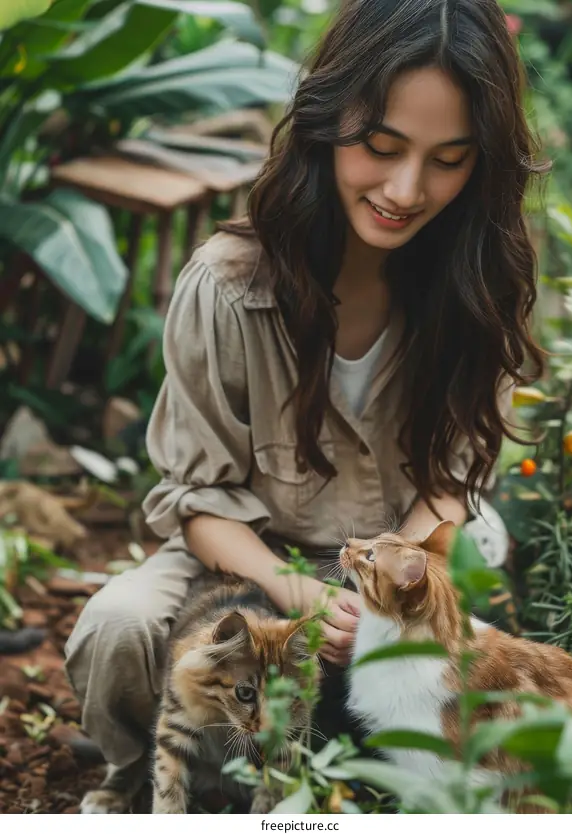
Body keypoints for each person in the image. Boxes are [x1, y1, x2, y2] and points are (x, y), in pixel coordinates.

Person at [66, 0, 545, 805]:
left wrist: (389, 595)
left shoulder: (479, 286)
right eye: (380, 146)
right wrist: (305, 599)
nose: (405, 188)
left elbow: (452, 485)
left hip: (390, 568)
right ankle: (140, 783)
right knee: (120, 628)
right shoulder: (228, 285)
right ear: (327, 122)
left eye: (448, 159)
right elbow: (198, 504)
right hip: (245, 561)